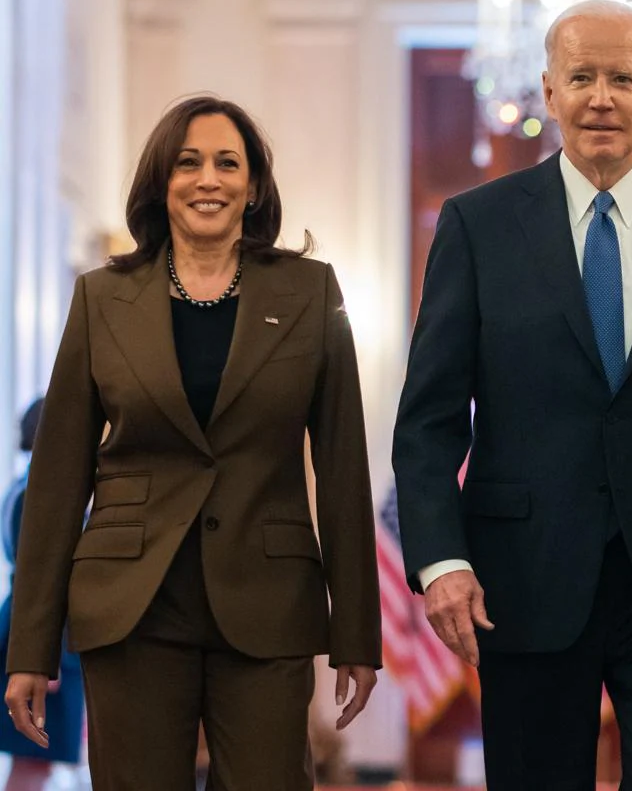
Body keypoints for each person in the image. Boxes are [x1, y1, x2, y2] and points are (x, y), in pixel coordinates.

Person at [392, 0, 632, 790]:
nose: (600, 96)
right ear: (548, 91)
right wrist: (440, 561)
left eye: (621, 77)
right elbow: (431, 420)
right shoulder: (476, 227)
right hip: (523, 583)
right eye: (581, 77)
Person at [4, 95, 382, 789]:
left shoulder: (310, 291)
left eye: (227, 163)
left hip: (268, 604)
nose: (208, 179)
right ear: (161, 182)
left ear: (254, 185)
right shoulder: (101, 298)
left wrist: (358, 635)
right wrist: (29, 647)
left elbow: (343, 468)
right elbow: (58, 479)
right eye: (188, 163)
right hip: (131, 605)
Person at [0, 399, 84, 790]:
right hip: (42, 637)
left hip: (46, 636)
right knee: (34, 760)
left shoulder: (31, 486)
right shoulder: (36, 492)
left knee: (38, 762)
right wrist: (41, 654)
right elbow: (38, 581)